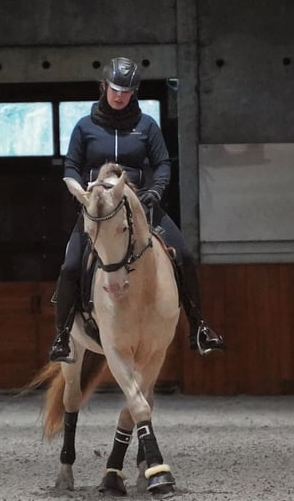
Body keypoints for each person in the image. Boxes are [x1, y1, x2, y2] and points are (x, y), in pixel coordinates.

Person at [49, 56, 225, 362]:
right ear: (104, 87)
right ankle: (63, 336)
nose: (120, 95)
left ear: (134, 93)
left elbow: (163, 165)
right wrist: (79, 191)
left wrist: (155, 191)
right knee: (70, 266)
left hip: (141, 205)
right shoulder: (85, 127)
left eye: (126, 90)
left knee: (183, 254)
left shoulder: (147, 126)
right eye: (115, 89)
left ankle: (199, 326)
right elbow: (71, 167)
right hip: (98, 209)